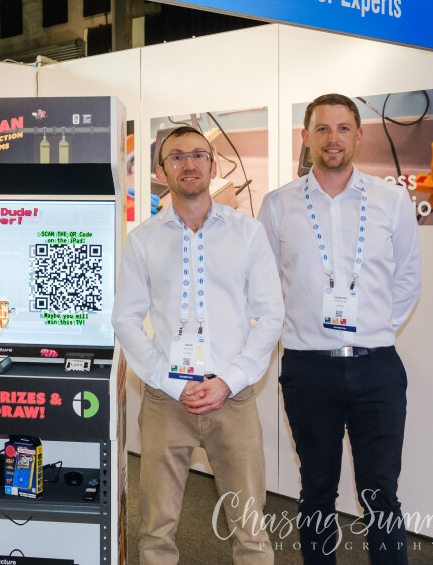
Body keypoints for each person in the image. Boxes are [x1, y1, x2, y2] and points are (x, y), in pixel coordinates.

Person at [258, 93, 421, 564]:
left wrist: (372, 330)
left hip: (377, 369)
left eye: (343, 128)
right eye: (323, 129)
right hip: (308, 371)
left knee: (381, 494)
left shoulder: (391, 200)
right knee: (316, 490)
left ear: (359, 135)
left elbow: (408, 278)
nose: (333, 138)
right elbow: (267, 286)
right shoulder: (278, 205)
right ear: (306, 137)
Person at [112, 125, 284, 565]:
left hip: (233, 398)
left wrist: (229, 381)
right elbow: (125, 319)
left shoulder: (248, 233)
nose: (188, 164)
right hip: (166, 401)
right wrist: (171, 382)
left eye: (198, 155)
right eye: (176, 157)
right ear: (160, 171)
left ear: (212, 164)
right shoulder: (143, 240)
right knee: (156, 531)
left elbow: (271, 315)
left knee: (251, 530)